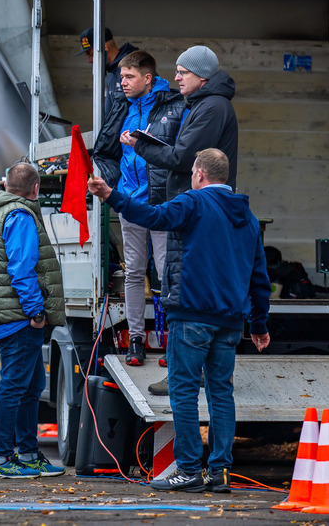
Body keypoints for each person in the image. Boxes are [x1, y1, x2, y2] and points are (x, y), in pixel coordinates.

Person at [88, 149, 270, 493]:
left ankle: (187, 470)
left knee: (184, 393)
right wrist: (259, 326)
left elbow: (152, 216)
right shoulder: (248, 217)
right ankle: (220, 472)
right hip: (230, 322)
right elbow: (259, 277)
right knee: (221, 394)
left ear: (199, 174)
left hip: (191, 316)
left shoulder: (193, 203)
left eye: (192, 173)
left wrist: (111, 195)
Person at [121, 45, 239, 392]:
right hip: (196, 208)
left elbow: (182, 156)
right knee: (178, 283)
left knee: (182, 287)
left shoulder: (212, 107)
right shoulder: (203, 104)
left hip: (199, 212)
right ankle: (184, 370)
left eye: (182, 72)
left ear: (202, 76)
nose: (175, 78)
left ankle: (183, 374)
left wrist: (140, 146)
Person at [0, 162, 66, 479]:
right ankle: (2, 459)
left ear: (5, 185)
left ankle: (28, 455)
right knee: (14, 387)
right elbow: (21, 270)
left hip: (3, 315)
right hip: (18, 317)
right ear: (36, 189)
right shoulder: (20, 215)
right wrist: (36, 312)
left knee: (31, 385)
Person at [91, 50, 185, 366]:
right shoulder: (121, 107)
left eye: (129, 77)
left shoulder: (174, 106)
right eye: (121, 77)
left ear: (147, 78)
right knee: (133, 271)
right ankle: (135, 340)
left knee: (165, 270)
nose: (123, 83)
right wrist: (114, 184)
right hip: (130, 202)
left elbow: (181, 153)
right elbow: (104, 151)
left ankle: (174, 342)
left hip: (160, 202)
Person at [76, 26, 138, 117]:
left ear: (104, 47)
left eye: (91, 54)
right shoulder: (112, 73)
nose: (89, 60)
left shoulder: (133, 68)